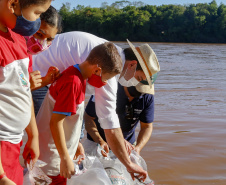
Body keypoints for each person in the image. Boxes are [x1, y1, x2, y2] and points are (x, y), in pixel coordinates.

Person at [32, 31, 152, 180]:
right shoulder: (98, 71)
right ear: (132, 64)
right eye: (139, 78)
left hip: (49, 81)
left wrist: (76, 144)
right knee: (45, 157)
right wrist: (128, 164)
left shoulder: (103, 57)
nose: (106, 82)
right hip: (35, 75)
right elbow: (109, 123)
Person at [36, 42, 122, 184]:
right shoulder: (73, 83)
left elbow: (68, 120)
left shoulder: (75, 74)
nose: (105, 83)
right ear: (97, 70)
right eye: (105, 78)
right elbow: (55, 122)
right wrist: (64, 158)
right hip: (52, 159)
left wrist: (76, 144)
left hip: (55, 153)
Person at [0, 0, 52, 184]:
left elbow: (24, 90)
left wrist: (33, 135)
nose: (37, 20)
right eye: (37, 13)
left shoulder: (18, 38)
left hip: (15, 144)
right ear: (13, 4)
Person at [84, 43, 159, 157]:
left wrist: (137, 148)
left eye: (142, 90)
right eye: (137, 83)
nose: (139, 92)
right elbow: (88, 117)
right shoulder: (110, 87)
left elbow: (147, 126)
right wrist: (100, 141)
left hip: (128, 146)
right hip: (97, 142)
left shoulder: (147, 97)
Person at [26, 5, 63, 115]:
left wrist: (46, 80)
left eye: (49, 39)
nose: (42, 43)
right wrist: (25, 86)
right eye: (39, 34)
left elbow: (25, 88)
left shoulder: (27, 55)